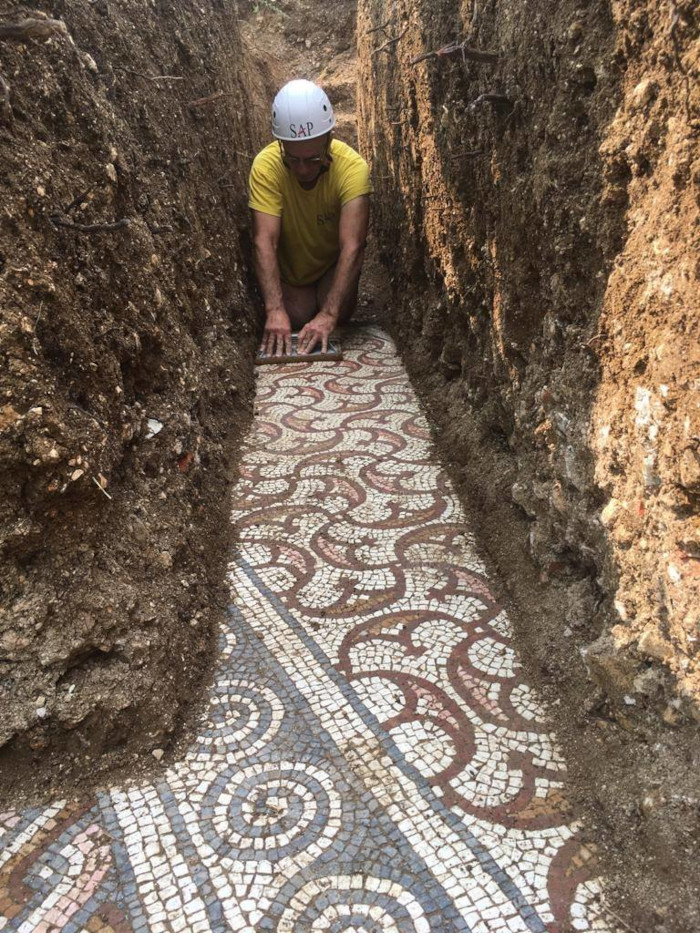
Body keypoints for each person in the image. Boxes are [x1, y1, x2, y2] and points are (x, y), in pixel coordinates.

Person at [248, 79, 372, 356]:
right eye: (293, 159)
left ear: (329, 140)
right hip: (293, 279)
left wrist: (329, 314)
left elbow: (353, 245)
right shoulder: (266, 167)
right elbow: (264, 240)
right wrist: (274, 310)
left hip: (329, 270)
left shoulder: (353, 169)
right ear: (281, 145)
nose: (302, 169)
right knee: (296, 316)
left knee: (338, 313)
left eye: (313, 159)